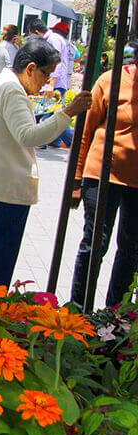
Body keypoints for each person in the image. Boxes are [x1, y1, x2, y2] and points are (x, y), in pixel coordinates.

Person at [0, 37, 91, 287]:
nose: (47, 81)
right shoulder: (11, 89)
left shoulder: (5, 84)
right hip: (5, 189)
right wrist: (68, 113)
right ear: (31, 68)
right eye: (46, 74)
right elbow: (29, 136)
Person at [68, 44, 138, 307]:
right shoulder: (110, 81)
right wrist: (76, 180)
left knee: (131, 249)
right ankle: (79, 309)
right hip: (102, 174)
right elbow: (85, 131)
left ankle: (116, 314)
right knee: (96, 242)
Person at [45, 20, 73, 100]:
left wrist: (51, 84)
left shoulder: (55, 39)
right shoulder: (70, 45)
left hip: (56, 85)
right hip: (62, 82)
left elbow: (57, 61)